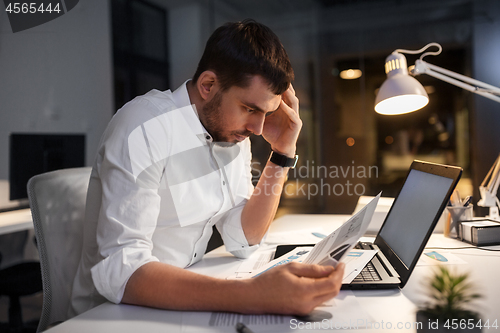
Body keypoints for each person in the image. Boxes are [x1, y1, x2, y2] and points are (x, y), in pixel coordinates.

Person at [70, 19, 344, 318]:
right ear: (208, 85)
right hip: (114, 313)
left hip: (181, 301)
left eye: (266, 112)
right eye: (250, 109)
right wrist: (254, 295)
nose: (257, 127)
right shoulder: (144, 126)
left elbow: (243, 237)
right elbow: (121, 270)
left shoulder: (232, 134)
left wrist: (281, 153)